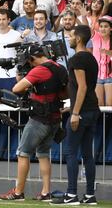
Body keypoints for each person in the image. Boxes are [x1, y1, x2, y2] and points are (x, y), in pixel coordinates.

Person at [0, 44, 68, 201]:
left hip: (39, 119)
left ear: (33, 58)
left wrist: (26, 79)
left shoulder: (39, 70)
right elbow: (65, 93)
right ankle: (45, 192)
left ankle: (18, 192)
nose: (29, 64)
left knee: (23, 154)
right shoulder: (60, 67)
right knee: (43, 154)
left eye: (29, 62)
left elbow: (17, 88)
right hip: (55, 118)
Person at [50, 25, 100, 205]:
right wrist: (71, 108)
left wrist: (75, 113)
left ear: (78, 39)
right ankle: (89, 195)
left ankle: (71, 194)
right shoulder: (91, 58)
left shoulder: (77, 59)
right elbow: (84, 89)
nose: (68, 38)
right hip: (92, 110)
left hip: (83, 112)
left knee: (71, 153)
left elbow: (83, 88)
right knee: (88, 155)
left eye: (70, 36)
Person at [0, 9, 21, 104]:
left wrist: (18, 74)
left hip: (12, 75)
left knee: (12, 105)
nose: (1, 22)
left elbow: (20, 56)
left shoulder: (17, 35)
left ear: (9, 20)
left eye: (4, 19)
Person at [92, 16, 112, 106]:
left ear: (111, 28)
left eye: (106, 26)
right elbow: (86, 27)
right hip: (97, 77)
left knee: (109, 105)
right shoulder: (96, 37)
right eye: (101, 26)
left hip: (110, 77)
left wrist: (109, 53)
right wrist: (84, 15)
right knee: (99, 105)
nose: (103, 29)